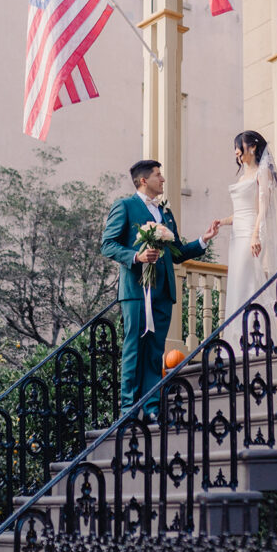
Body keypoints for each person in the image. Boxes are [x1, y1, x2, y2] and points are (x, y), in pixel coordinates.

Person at [101, 160, 219, 421]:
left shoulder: (165, 213)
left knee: (156, 351)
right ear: (144, 180)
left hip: (163, 291)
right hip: (136, 291)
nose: (163, 179)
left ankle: (153, 408)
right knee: (134, 348)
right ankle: (129, 411)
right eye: (158, 175)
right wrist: (137, 256)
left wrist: (203, 240)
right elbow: (107, 245)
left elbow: (176, 253)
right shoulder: (125, 206)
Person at [217, 131, 277, 351]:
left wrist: (256, 234)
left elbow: (263, 207)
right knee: (238, 282)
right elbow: (242, 211)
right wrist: (222, 222)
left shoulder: (263, 173)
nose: (236, 151)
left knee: (249, 281)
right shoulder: (243, 176)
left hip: (252, 233)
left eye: (239, 146)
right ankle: (236, 342)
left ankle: (258, 340)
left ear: (252, 147)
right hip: (238, 234)